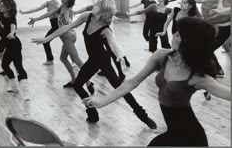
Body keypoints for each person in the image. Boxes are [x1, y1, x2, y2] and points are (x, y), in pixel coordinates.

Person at [83, 17, 230, 146]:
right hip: (172, 132)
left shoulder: (197, 76)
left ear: (189, 42)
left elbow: (227, 93)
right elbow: (132, 82)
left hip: (191, 137)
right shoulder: (162, 56)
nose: (173, 35)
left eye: (178, 35)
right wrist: (102, 101)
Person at [32, 0, 157, 129]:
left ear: (103, 10)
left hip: (103, 61)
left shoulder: (106, 29)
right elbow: (66, 28)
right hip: (92, 60)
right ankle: (92, 113)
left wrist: (119, 56)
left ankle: (143, 116)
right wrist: (47, 39)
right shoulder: (87, 16)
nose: (94, 5)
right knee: (78, 85)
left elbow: (113, 45)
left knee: (120, 88)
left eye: (97, 4)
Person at [28, 0, 94, 92]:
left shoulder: (67, 9)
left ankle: (88, 82)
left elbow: (68, 21)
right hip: (68, 36)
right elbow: (49, 13)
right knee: (63, 58)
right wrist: (36, 19)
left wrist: (67, 18)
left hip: (68, 37)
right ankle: (74, 80)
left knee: (76, 59)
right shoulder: (62, 7)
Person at [73, 0, 130, 81]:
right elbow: (87, 8)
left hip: (105, 33)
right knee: (106, 52)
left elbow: (110, 13)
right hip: (98, 33)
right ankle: (107, 68)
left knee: (113, 51)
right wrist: (75, 12)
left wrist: (115, 18)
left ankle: (120, 72)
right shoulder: (98, 6)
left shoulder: (108, 6)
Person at [19, 0, 60, 65]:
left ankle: (50, 60)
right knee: (64, 43)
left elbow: (55, 14)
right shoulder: (48, 3)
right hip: (54, 25)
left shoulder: (58, 4)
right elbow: (36, 9)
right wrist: (24, 12)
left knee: (46, 41)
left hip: (57, 25)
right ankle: (51, 60)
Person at [0, 0, 30, 100]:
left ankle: (26, 91)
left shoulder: (12, 18)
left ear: (8, 8)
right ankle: (15, 87)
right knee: (4, 65)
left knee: (18, 67)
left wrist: (12, 33)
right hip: (7, 44)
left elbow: (13, 27)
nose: (0, 6)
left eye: (2, 5)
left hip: (15, 44)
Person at [200, 0, 231, 78]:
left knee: (209, 49)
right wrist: (192, 0)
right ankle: (216, 70)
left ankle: (218, 70)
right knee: (207, 48)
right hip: (215, 27)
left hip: (225, 31)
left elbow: (225, 15)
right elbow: (204, 1)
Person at [0, 0, 10, 76]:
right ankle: (6, 68)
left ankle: (6, 68)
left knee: (0, 50)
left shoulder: (5, 9)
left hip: (7, 34)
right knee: (1, 51)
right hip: (2, 33)